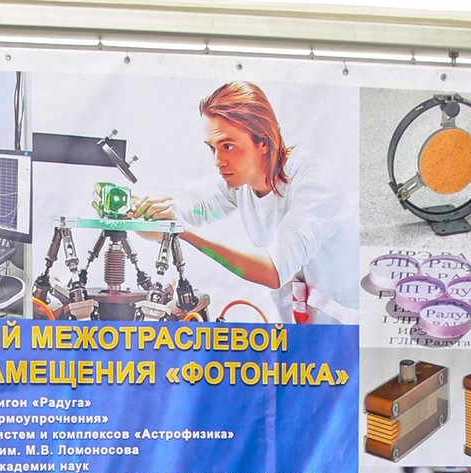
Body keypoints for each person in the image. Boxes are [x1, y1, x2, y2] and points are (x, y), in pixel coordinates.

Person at [136, 82, 359, 324]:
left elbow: (274, 270)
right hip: (295, 333)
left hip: (343, 332)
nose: (218, 161)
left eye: (228, 146)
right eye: (212, 148)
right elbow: (181, 214)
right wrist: (138, 213)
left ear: (262, 141)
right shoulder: (238, 183)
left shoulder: (314, 180)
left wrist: (184, 230)